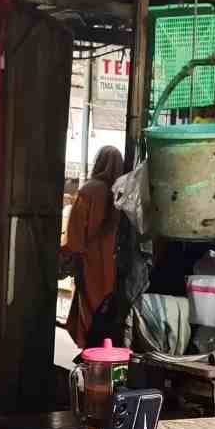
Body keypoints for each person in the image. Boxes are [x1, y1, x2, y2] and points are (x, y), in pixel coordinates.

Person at [62, 146, 125, 347]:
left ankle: (90, 354)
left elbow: (74, 236)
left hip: (90, 265)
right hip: (115, 268)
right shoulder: (123, 194)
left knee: (88, 311)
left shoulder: (88, 191)